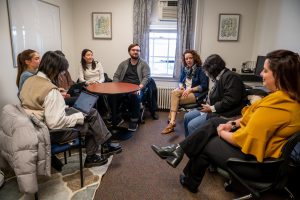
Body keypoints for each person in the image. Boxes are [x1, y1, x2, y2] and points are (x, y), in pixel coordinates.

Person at [151, 49, 300, 193]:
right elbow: (251, 118)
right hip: (263, 151)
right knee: (213, 124)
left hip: (258, 164)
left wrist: (221, 133)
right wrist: (233, 123)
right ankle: (179, 151)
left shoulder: (277, 106)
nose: (261, 73)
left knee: (205, 141)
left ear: (280, 75)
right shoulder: (283, 98)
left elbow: (243, 140)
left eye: (265, 70)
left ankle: (186, 169)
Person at [19, 51, 122, 169]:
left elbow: (41, 106)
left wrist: (66, 109)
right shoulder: (51, 91)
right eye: (61, 71)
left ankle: (105, 145)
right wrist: (78, 117)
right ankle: (95, 153)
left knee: (91, 112)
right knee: (92, 122)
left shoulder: (30, 80)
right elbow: (55, 123)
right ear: (54, 69)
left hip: (35, 127)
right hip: (52, 133)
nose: (61, 74)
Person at [184, 54, 247, 137]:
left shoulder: (231, 77)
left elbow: (230, 100)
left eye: (208, 71)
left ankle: (192, 148)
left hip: (225, 113)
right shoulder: (220, 77)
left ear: (213, 69)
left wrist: (211, 108)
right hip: (212, 108)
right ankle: (187, 143)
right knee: (187, 116)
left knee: (192, 125)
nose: (207, 74)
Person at [161, 50, 208, 134]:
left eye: (190, 58)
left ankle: (171, 121)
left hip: (195, 94)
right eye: (186, 59)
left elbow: (204, 86)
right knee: (174, 93)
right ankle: (172, 122)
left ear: (195, 58)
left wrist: (190, 89)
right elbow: (180, 82)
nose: (188, 60)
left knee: (174, 98)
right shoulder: (185, 69)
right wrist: (181, 87)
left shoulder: (201, 70)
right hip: (185, 91)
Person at [113, 43, 150, 132]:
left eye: (137, 50)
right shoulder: (123, 64)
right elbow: (116, 76)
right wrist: (116, 86)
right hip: (123, 88)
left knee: (135, 96)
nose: (135, 52)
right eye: (133, 50)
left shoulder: (144, 64)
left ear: (140, 52)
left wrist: (139, 88)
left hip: (137, 88)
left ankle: (134, 120)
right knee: (112, 96)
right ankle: (117, 117)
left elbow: (147, 77)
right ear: (129, 51)